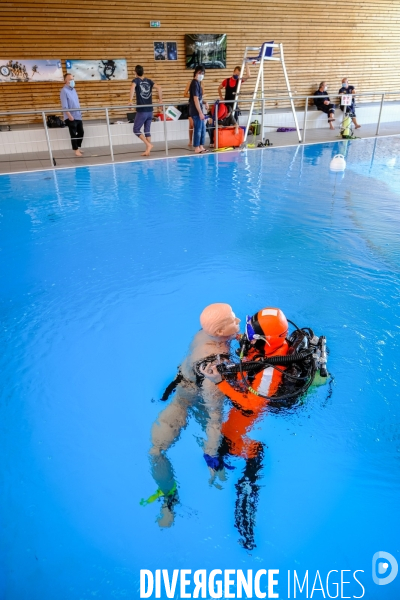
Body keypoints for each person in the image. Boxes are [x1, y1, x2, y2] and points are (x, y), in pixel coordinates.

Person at [201, 307, 328, 549]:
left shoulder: (270, 370)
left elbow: (253, 407)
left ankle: (246, 527)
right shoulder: (263, 346)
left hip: (254, 421)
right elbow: (248, 346)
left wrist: (220, 383)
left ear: (264, 340)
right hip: (252, 394)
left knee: (236, 461)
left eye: (251, 331)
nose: (246, 333)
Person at [144, 303, 240, 527]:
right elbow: (215, 417)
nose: (238, 323)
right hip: (197, 398)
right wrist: (211, 453)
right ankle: (170, 499)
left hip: (183, 389)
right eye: (233, 321)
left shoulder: (202, 335)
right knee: (158, 450)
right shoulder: (215, 370)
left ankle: (168, 495)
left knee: (155, 450)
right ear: (218, 332)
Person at [129, 65, 163, 157]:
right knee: (147, 130)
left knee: (136, 129)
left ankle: (148, 145)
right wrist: (160, 100)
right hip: (150, 111)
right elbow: (159, 88)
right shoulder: (149, 81)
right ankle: (148, 151)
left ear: (135, 72)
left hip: (142, 110)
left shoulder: (135, 80)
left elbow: (132, 88)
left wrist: (130, 101)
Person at [60, 73, 84, 157]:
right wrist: (69, 116)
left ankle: (77, 146)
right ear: (66, 81)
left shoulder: (73, 90)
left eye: (73, 79)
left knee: (81, 132)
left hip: (78, 115)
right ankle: (76, 150)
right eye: (70, 79)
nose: (72, 81)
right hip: (71, 116)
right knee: (73, 133)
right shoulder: (64, 91)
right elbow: (64, 106)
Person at [189, 65, 208, 154]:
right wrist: (200, 112)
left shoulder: (198, 83)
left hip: (199, 110)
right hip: (196, 111)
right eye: (200, 73)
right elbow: (195, 99)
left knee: (203, 128)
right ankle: (196, 147)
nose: (201, 75)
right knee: (198, 129)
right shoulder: (194, 83)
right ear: (195, 73)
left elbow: (200, 99)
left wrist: (205, 102)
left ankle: (201, 146)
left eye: (203, 73)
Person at [183, 76, 205, 148]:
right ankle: (190, 141)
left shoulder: (201, 83)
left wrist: (205, 102)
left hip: (199, 104)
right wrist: (193, 95)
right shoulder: (191, 82)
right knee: (192, 124)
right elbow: (185, 94)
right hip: (192, 105)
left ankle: (198, 144)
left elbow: (202, 95)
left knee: (198, 126)